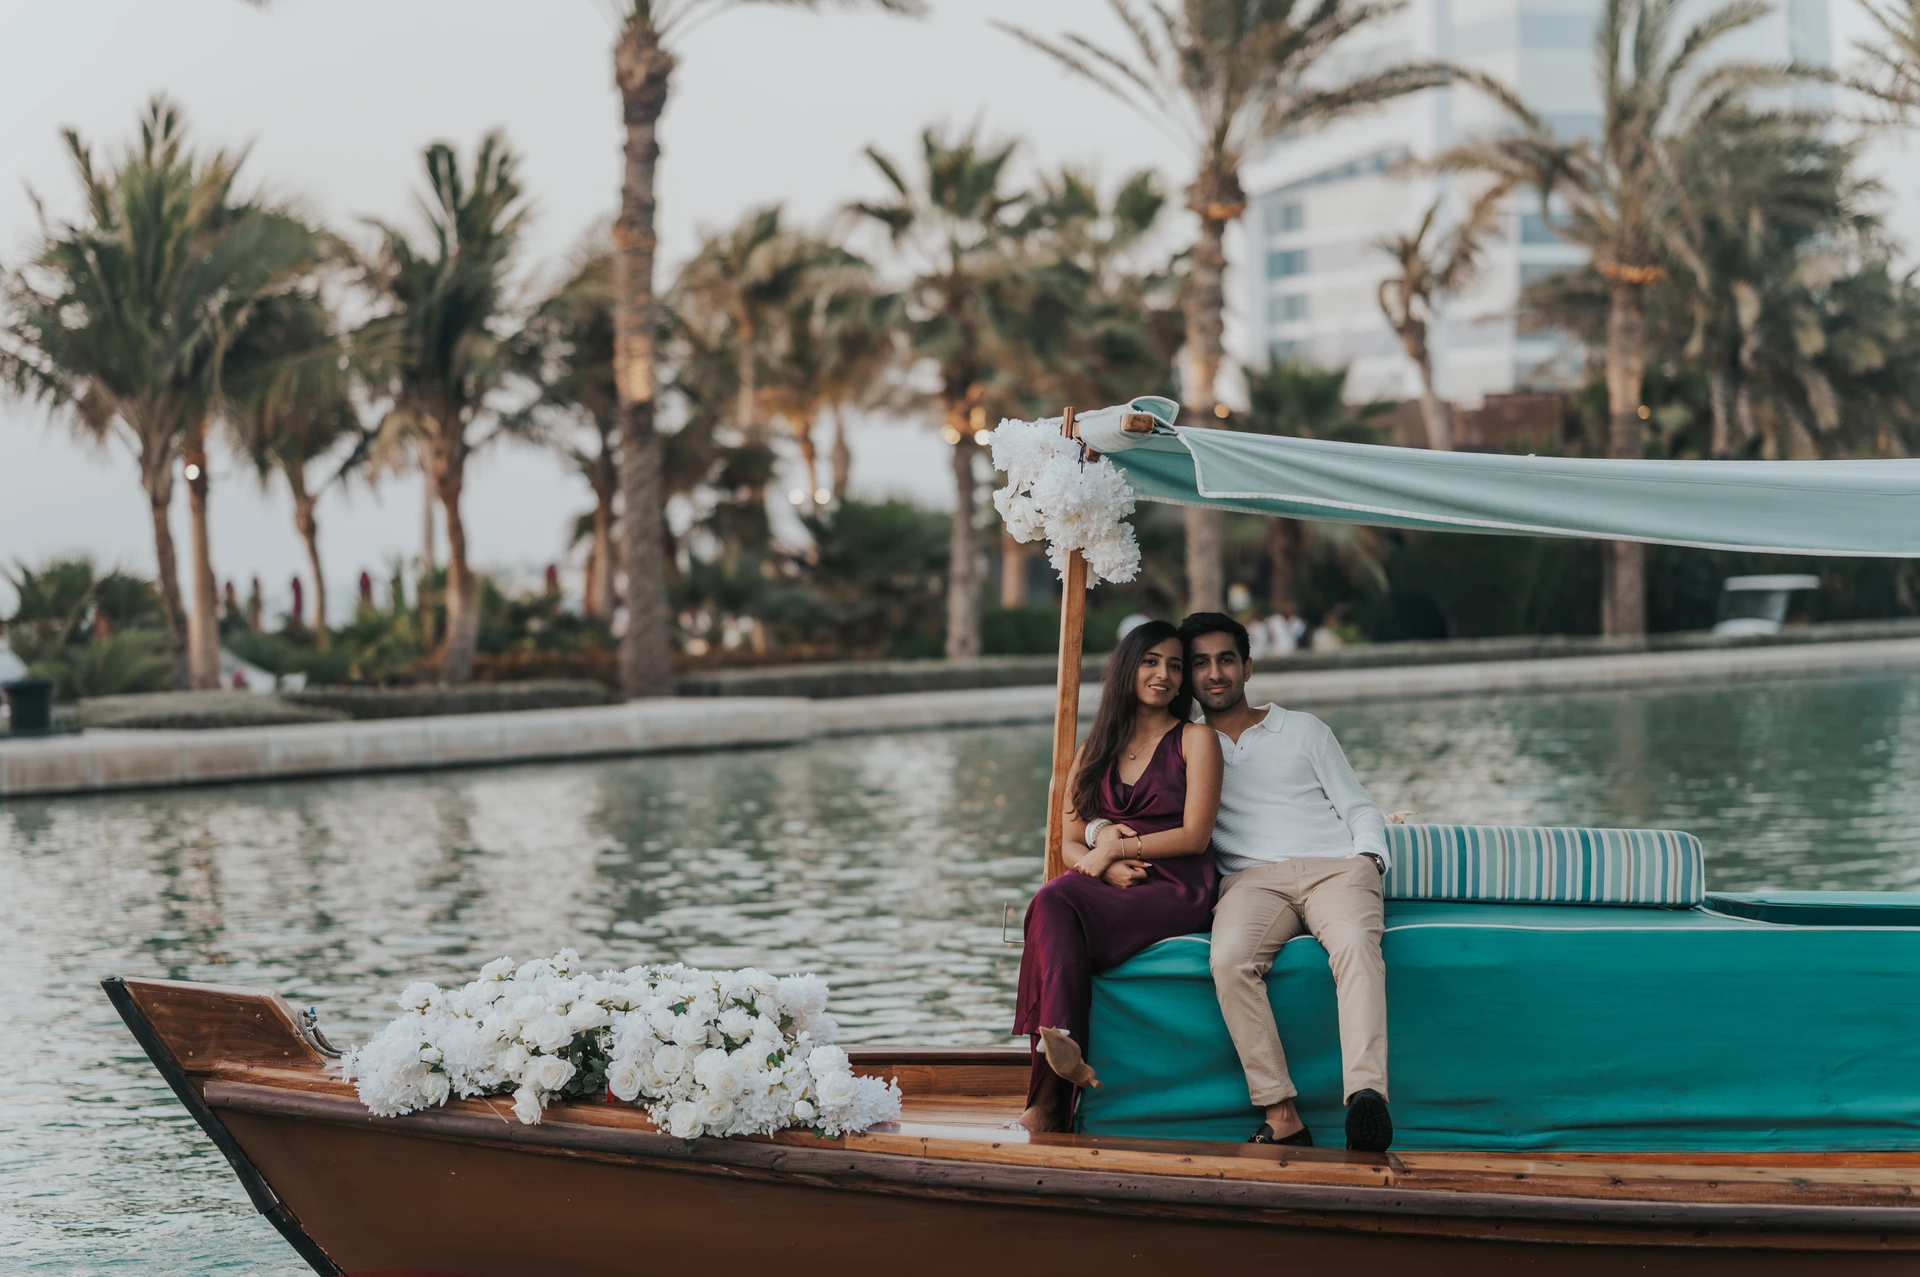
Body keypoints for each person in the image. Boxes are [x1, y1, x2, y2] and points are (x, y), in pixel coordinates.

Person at [1178, 611, 1394, 1153]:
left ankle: (1366, 1097)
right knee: (1228, 961)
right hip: (1251, 882)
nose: (1215, 673)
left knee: (1355, 946)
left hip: (1334, 868)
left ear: (1247, 666)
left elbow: (1359, 806)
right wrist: (1099, 833)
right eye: (1200, 663)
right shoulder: (1185, 747)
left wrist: (1369, 858)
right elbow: (1117, 789)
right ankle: (1282, 1114)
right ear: (1188, 677)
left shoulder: (1303, 730)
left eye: (1226, 659)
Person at [1012, 619, 1223, 1134]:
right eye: (1151, 662)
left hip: (1177, 885)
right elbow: (1066, 842)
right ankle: (1061, 1057)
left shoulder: (1196, 740)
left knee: (1054, 903)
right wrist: (1105, 869)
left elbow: (1195, 836)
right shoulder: (1094, 750)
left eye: (1175, 666)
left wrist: (1113, 847)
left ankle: (1047, 1100)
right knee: (1052, 901)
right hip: (1113, 883)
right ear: (1128, 668)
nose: (1164, 675)